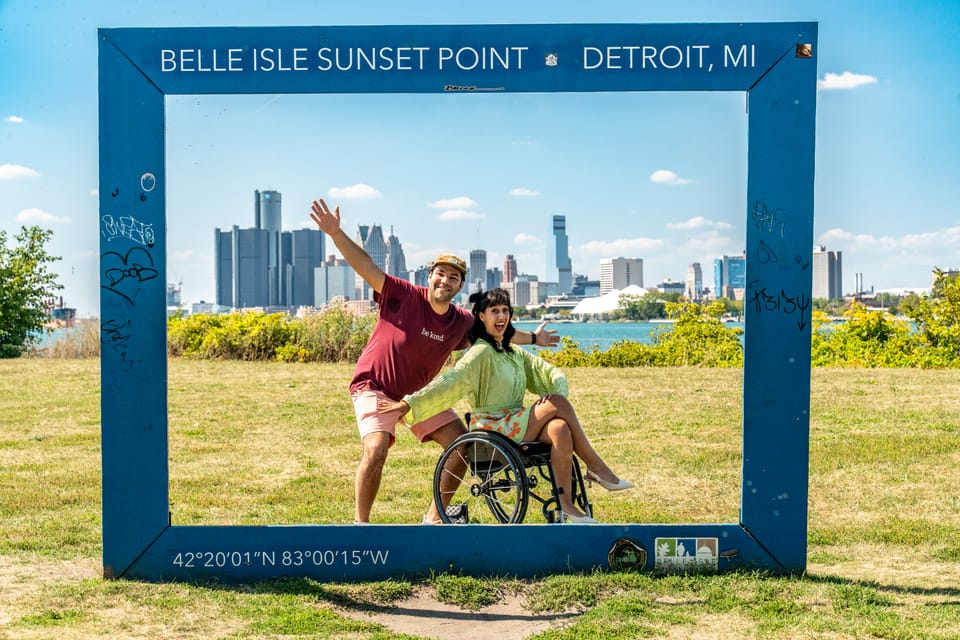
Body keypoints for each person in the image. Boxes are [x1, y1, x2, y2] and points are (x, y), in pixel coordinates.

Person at [309, 198, 560, 524]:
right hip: (375, 387)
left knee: (462, 446)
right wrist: (335, 232)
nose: (446, 280)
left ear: (459, 286)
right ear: (430, 276)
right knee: (377, 447)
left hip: (419, 395)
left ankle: (434, 518)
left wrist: (536, 339)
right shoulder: (402, 295)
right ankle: (361, 526)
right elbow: (366, 267)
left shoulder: (460, 322)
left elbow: (498, 331)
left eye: (453, 277)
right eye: (440, 273)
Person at [380, 288, 633, 524]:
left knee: (559, 428)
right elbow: (450, 382)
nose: (501, 316)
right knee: (556, 403)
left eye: (505, 311)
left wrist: (560, 393)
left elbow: (549, 373)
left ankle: (566, 505)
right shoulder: (480, 353)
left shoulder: (513, 352)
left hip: (515, 421)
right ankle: (597, 467)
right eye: (494, 311)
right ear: (482, 316)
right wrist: (408, 404)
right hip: (493, 428)